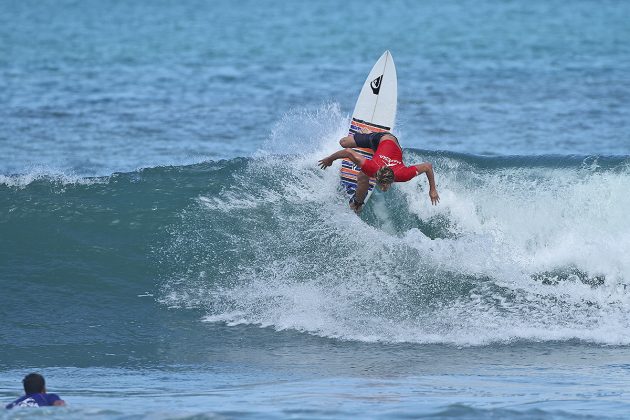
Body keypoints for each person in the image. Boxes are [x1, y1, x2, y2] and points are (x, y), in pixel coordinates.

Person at [318, 130, 439, 212]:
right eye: (382, 185)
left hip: (393, 144)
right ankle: (367, 134)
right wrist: (330, 159)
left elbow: (428, 166)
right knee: (343, 142)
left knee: (363, 177)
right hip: (381, 138)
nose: (383, 188)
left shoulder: (403, 174)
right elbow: (348, 151)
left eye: (385, 185)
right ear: (376, 176)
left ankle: (357, 203)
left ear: (393, 179)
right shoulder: (372, 167)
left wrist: (432, 189)